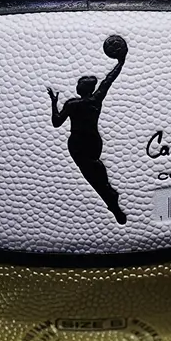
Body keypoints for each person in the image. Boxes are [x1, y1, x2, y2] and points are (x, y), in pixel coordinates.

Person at [49, 35, 128, 224]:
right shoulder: (95, 100)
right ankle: (111, 201)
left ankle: (111, 200)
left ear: (80, 88)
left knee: (92, 175)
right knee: (95, 172)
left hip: (77, 143)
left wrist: (53, 103)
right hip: (93, 142)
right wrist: (121, 62)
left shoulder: (72, 104)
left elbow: (56, 123)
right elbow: (108, 81)